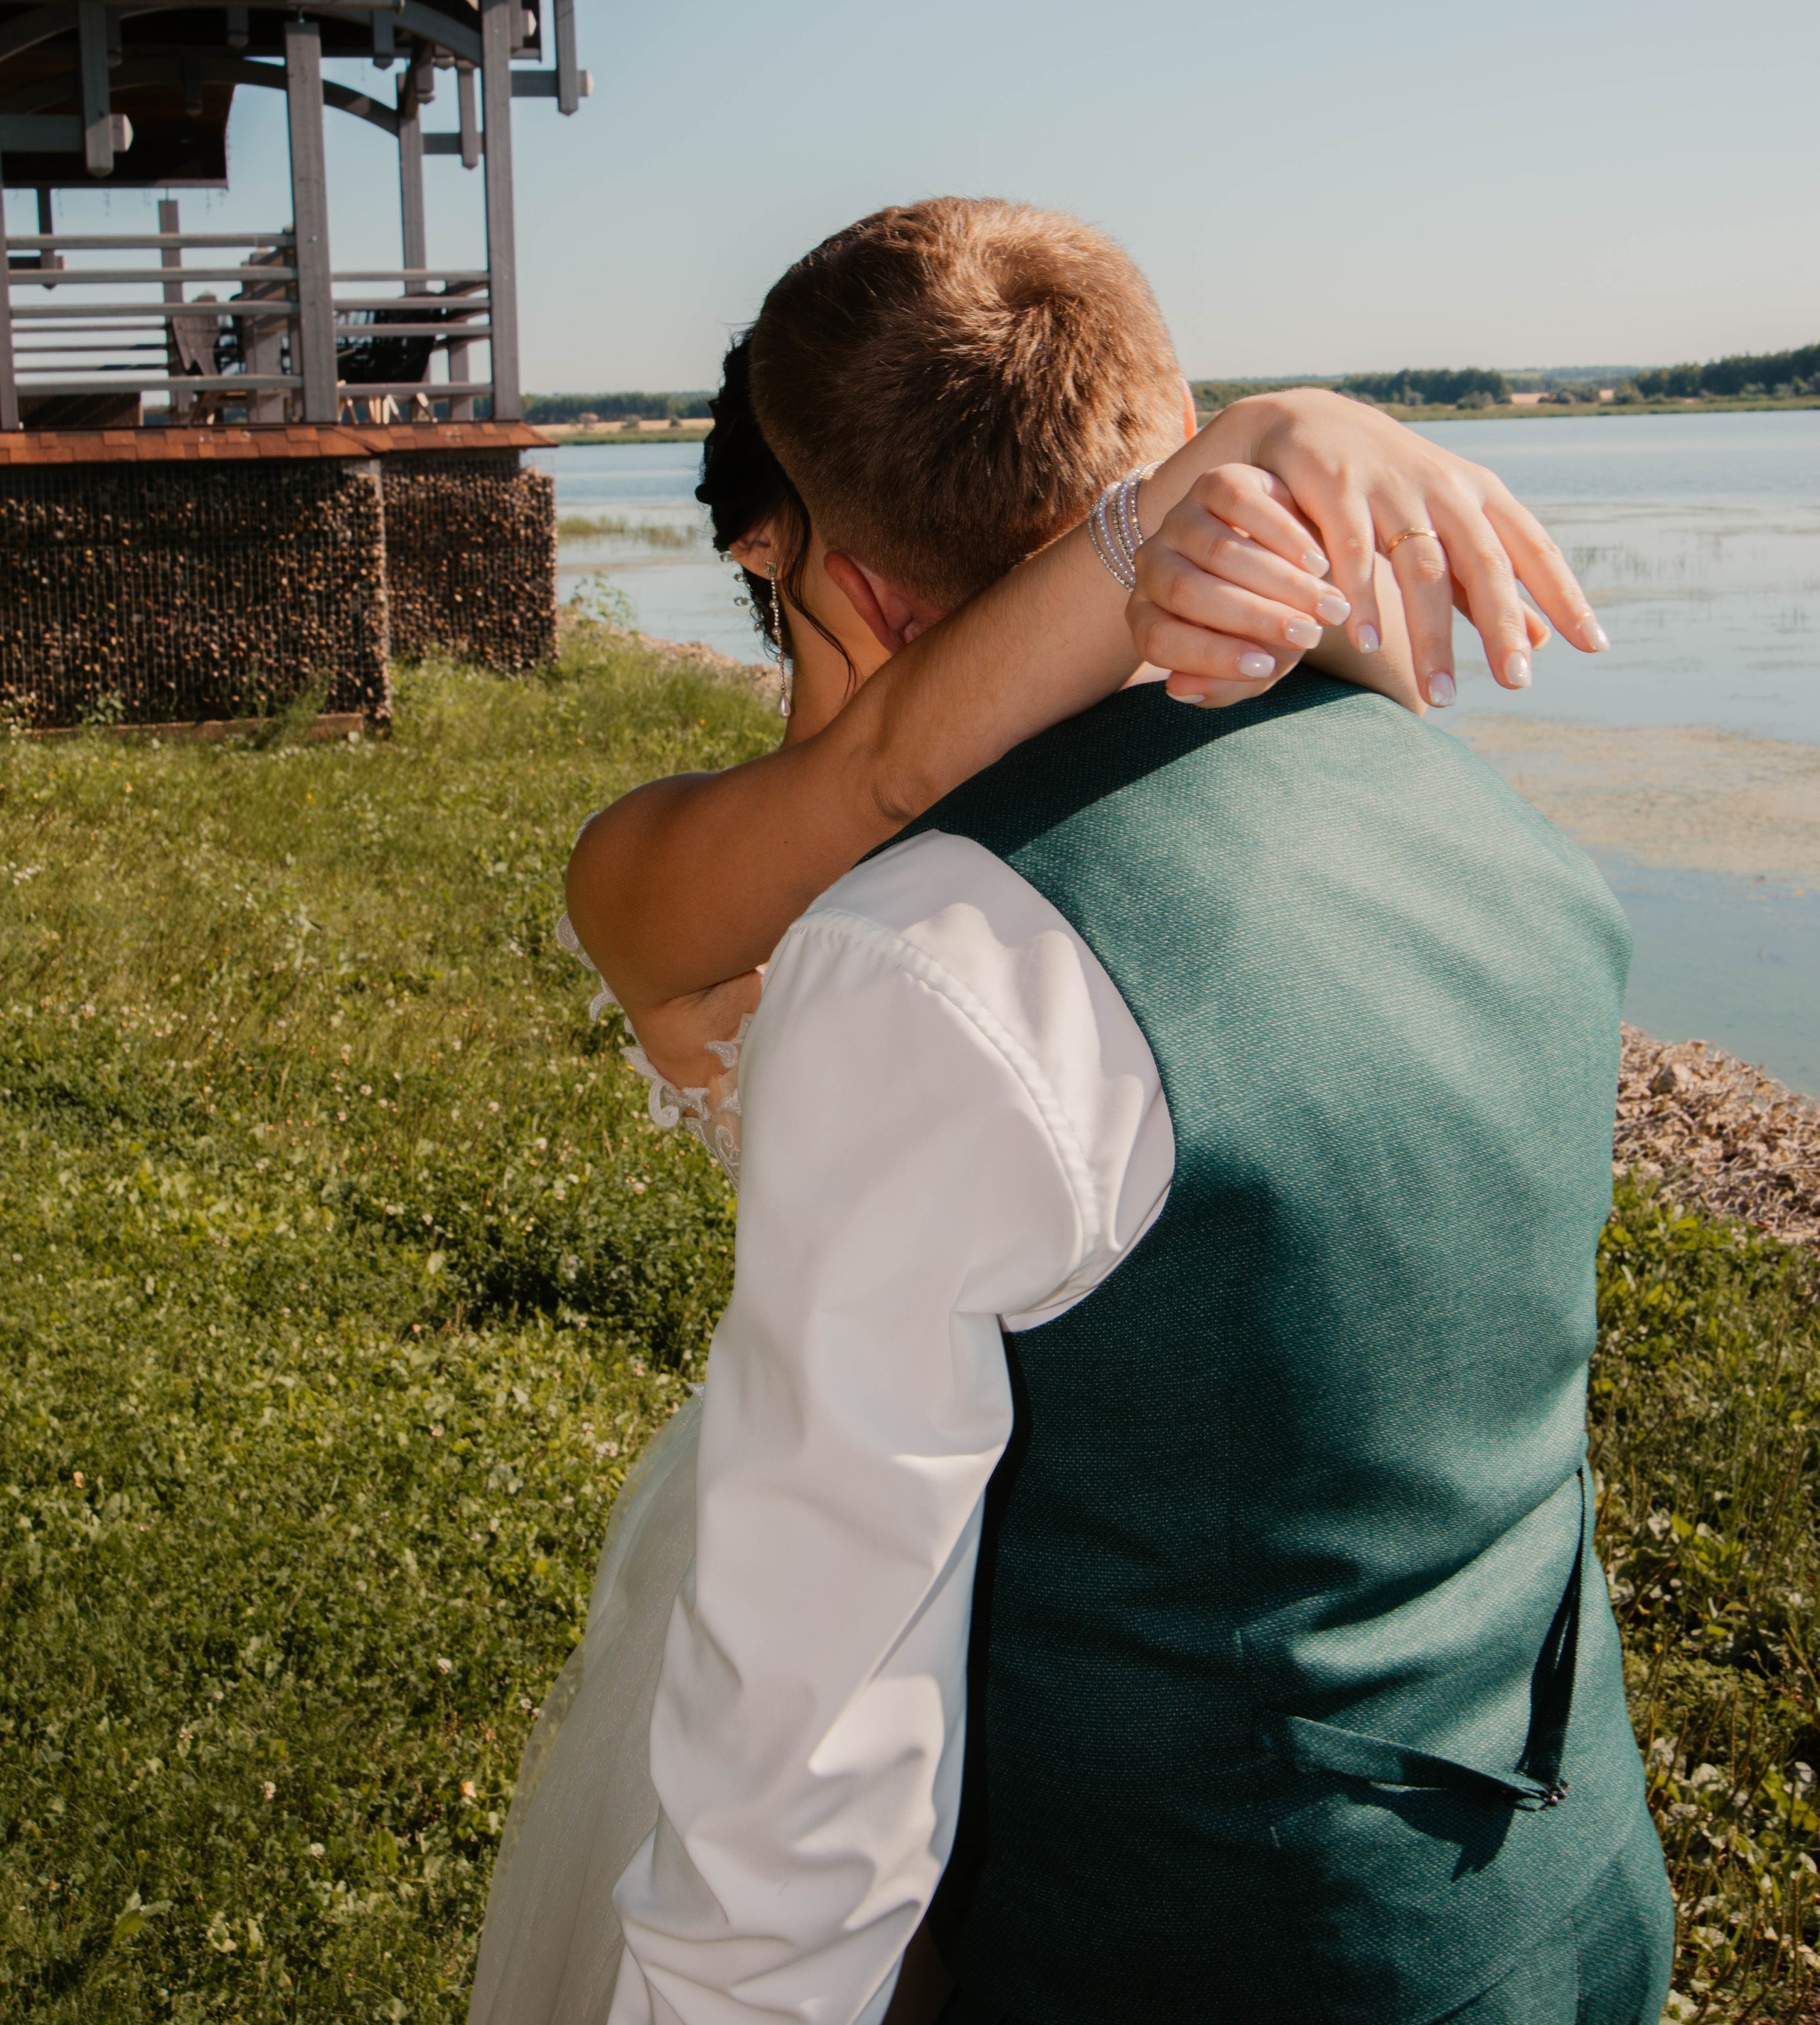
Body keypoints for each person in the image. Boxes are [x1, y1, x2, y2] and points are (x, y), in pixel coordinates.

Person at [476, 201, 1659, 2025]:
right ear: (1158, 461)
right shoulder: (1481, 822)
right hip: (1557, 1899)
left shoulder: (928, 959)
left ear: (838, 574)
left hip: (1191, 1939)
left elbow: (816, 1741)